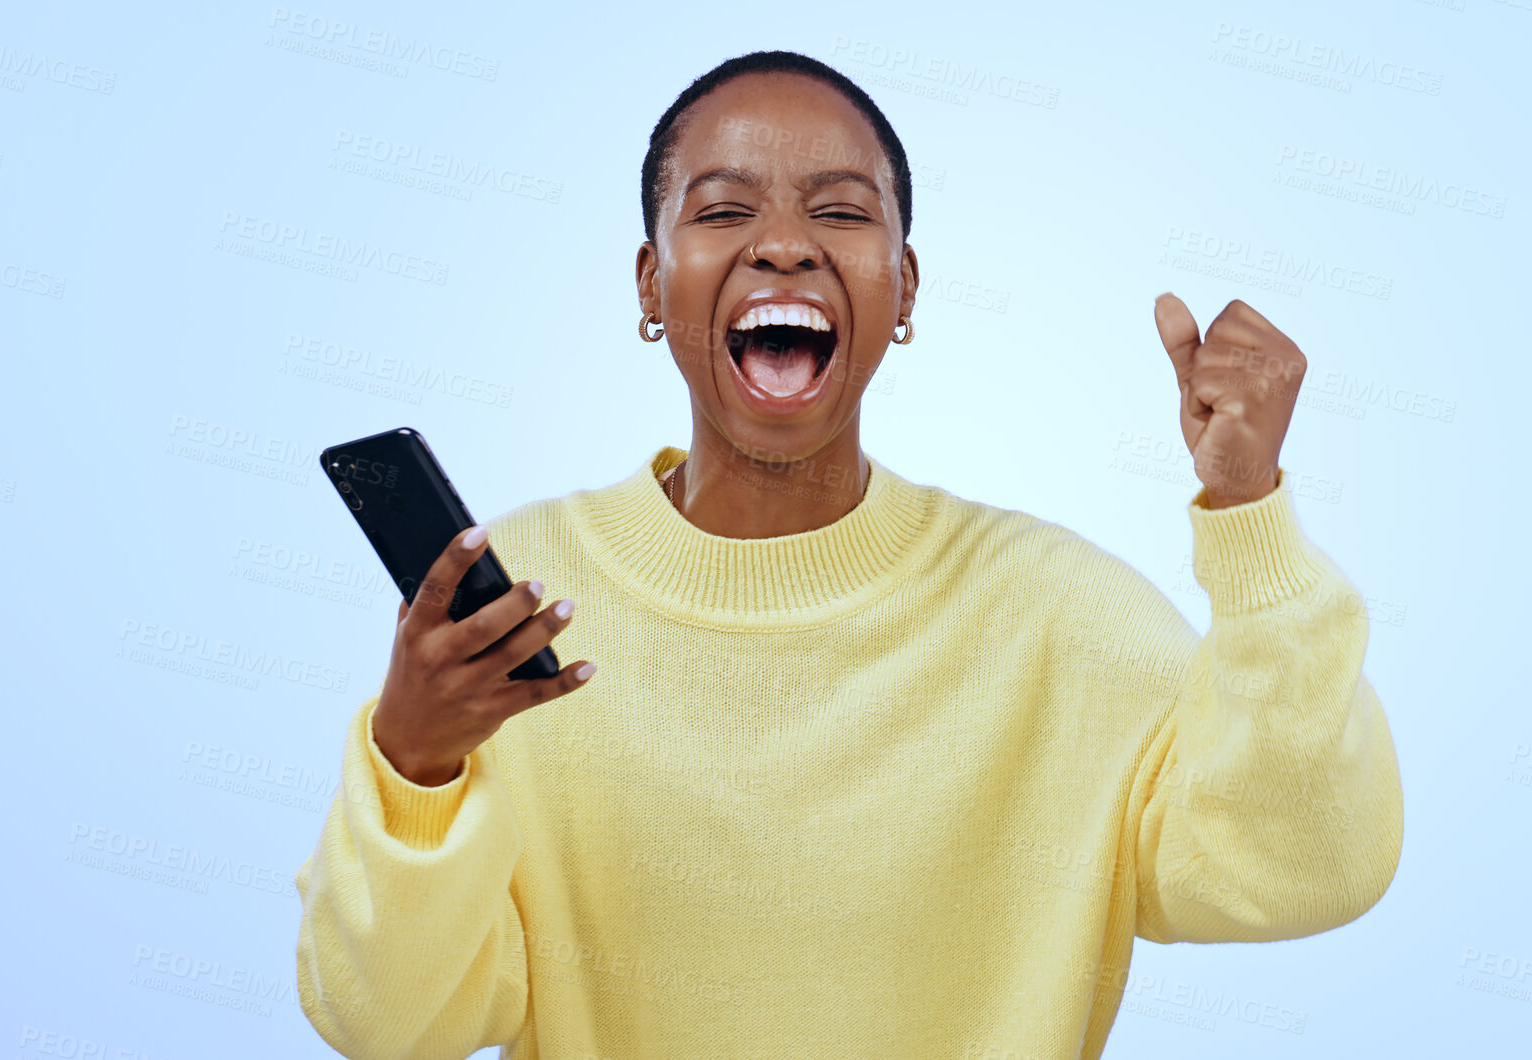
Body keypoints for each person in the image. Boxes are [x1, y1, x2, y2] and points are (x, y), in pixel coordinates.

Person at [293, 49, 1403, 1060]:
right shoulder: (521, 607)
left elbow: (1307, 868)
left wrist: (1247, 509)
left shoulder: (1057, 613)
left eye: (839, 210)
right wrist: (415, 762)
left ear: (903, 291)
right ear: (650, 284)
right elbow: (390, 1024)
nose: (782, 243)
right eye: (723, 209)